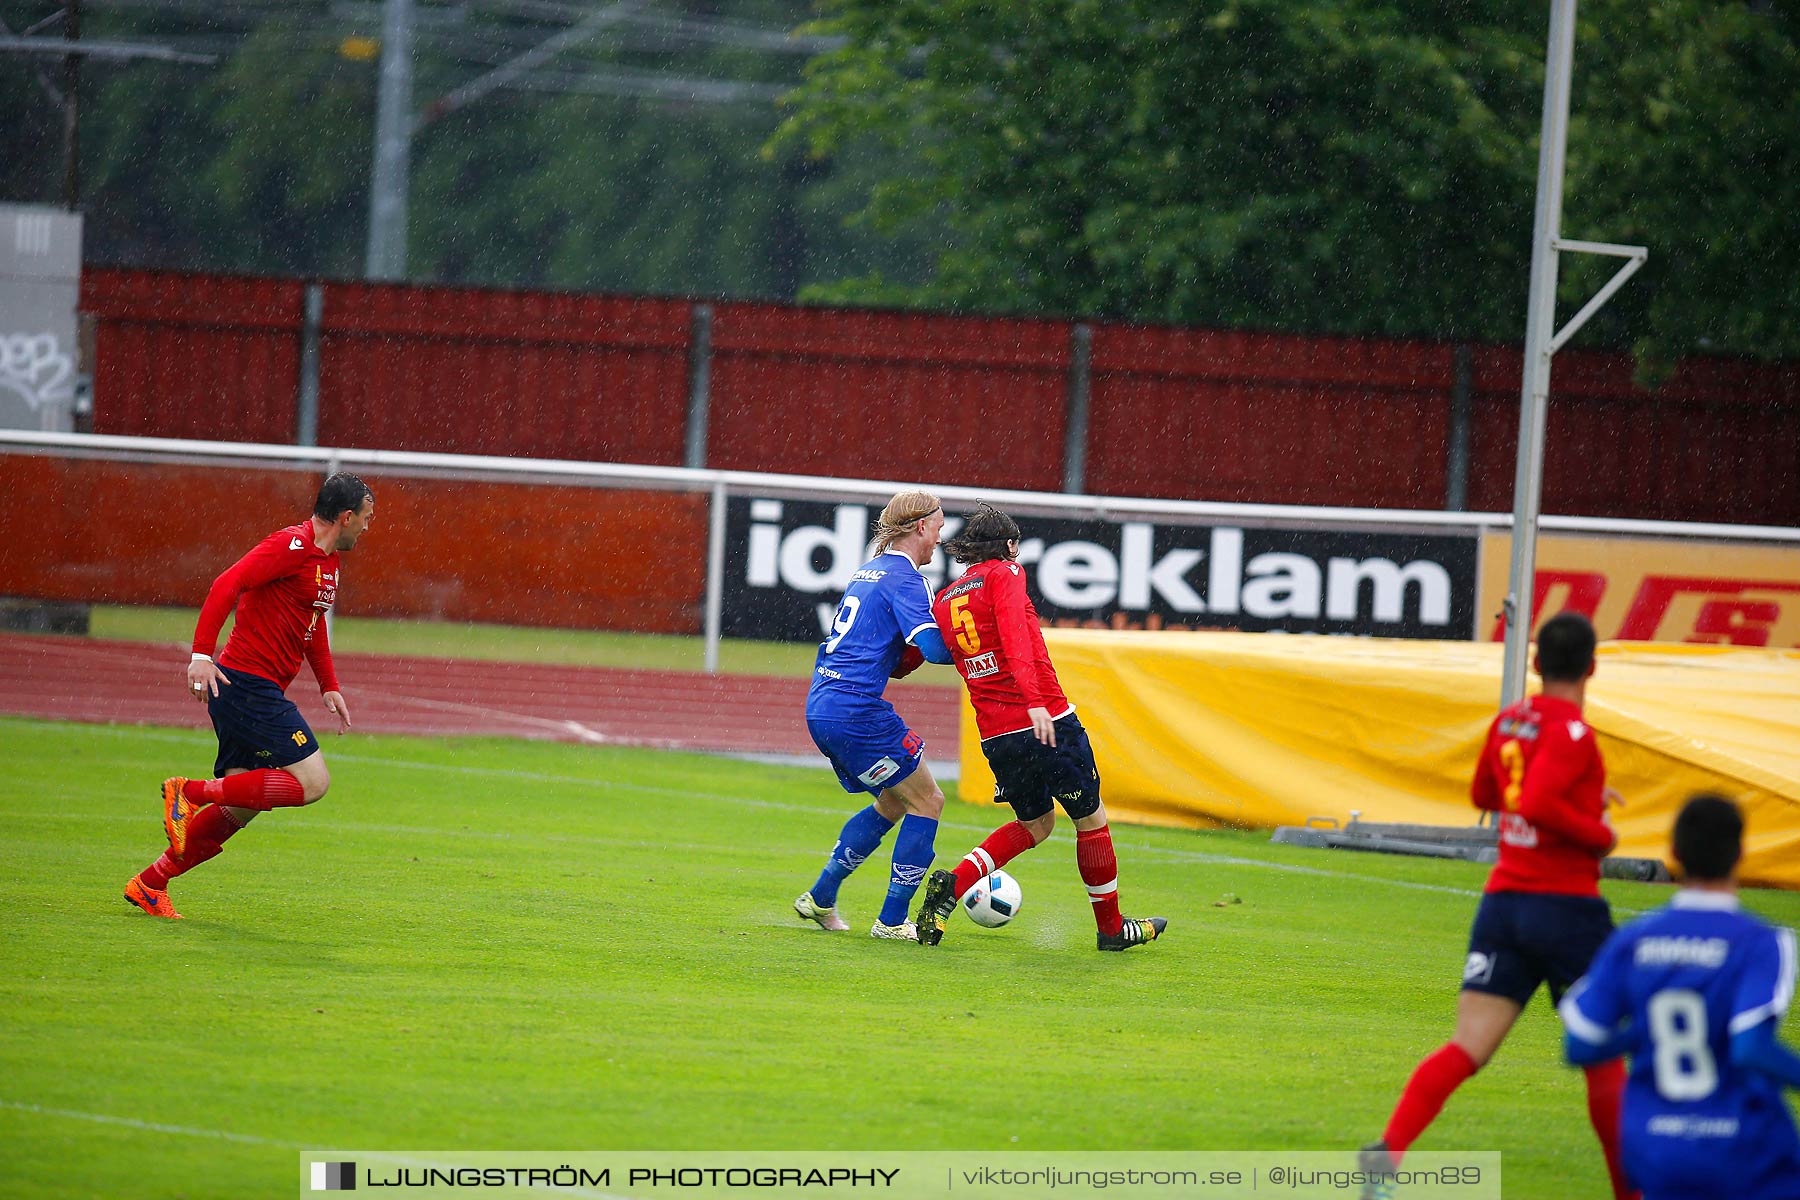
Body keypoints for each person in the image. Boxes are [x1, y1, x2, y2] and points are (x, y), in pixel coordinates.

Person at [1360, 611, 1635, 1200]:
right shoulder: (1574, 734)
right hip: (1566, 910)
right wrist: (1599, 832)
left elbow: (1486, 794)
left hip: (1504, 903)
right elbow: (1537, 800)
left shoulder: (1511, 720)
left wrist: (1573, 795)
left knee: (1467, 1047)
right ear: (1591, 667)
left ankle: (1389, 1153)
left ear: (1535, 665)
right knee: (1603, 1059)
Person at [910, 502, 1166, 952]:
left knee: (1036, 824)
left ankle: (952, 888)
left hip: (995, 734)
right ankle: (1111, 929)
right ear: (1009, 546)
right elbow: (1013, 639)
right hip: (1045, 722)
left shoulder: (947, 597)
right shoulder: (1005, 575)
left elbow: (936, 654)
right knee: (1090, 820)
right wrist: (1035, 705)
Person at [123, 473, 376, 920]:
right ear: (347, 516)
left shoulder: (329, 562)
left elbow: (311, 629)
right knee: (313, 782)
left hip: (254, 689)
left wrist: (329, 684)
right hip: (245, 685)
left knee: (240, 807)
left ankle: (150, 883)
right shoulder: (290, 546)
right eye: (367, 519)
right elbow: (227, 583)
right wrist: (202, 654)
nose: (368, 528)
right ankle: (189, 792)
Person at [1562, 793, 1800, 1200]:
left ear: (1673, 853)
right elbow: (1749, 1048)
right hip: (1743, 1148)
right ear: (1741, 853)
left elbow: (1580, 1045)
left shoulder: (1633, 940)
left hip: (1654, 1146)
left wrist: (1640, 1036)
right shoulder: (1762, 942)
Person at [792, 490, 955, 941]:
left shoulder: (867, 571)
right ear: (920, 526)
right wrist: (975, 635)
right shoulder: (907, 578)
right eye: (939, 527)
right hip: (856, 710)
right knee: (928, 800)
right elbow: (935, 649)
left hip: (823, 703)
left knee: (894, 800)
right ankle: (891, 921)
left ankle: (820, 896)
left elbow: (892, 655)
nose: (940, 538)